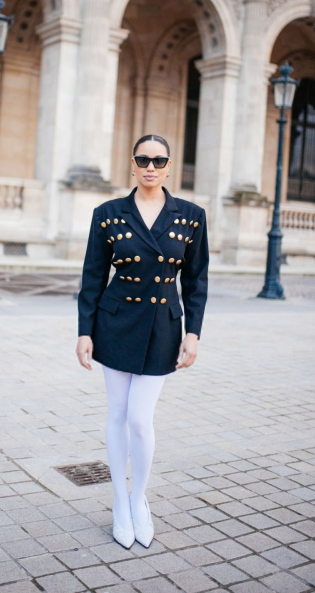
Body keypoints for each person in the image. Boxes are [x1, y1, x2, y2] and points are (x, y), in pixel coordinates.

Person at [76, 134, 209, 548]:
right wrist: (84, 331)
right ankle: (119, 501)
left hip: (163, 326)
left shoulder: (190, 215)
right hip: (115, 323)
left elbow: (197, 280)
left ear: (169, 166)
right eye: (143, 159)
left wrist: (194, 333)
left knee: (139, 418)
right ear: (132, 165)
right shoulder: (108, 213)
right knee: (117, 413)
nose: (150, 166)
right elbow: (93, 277)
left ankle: (139, 499)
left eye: (159, 160)